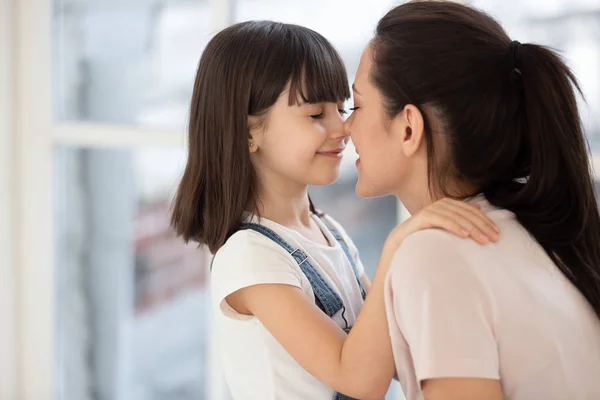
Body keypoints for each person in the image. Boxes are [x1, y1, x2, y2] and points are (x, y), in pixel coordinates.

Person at [170, 20, 498, 400]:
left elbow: (390, 350)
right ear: (248, 132)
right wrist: (399, 243)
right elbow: (358, 378)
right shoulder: (249, 258)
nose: (341, 129)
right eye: (315, 115)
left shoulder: (328, 231)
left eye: (342, 109)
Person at [345, 1, 600, 399]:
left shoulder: (434, 256)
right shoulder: (536, 233)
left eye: (357, 106)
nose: (345, 127)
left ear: (409, 128)